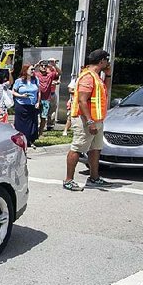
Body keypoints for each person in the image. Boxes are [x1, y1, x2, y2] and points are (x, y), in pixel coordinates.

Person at [63, 49, 112, 192]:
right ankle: (68, 180)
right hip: (85, 120)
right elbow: (82, 101)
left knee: (95, 149)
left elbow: (106, 91)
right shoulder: (88, 77)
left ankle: (94, 178)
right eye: (106, 60)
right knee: (77, 148)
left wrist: (108, 74)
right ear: (101, 61)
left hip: (97, 119)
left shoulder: (96, 76)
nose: (108, 63)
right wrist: (89, 121)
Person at [12, 64, 40, 148]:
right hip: (21, 105)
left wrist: (38, 102)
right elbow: (13, 92)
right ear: (25, 70)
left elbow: (39, 92)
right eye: (31, 69)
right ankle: (21, 141)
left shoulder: (35, 80)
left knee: (32, 124)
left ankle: (30, 141)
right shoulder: (19, 81)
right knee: (21, 125)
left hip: (32, 105)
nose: (33, 71)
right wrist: (21, 96)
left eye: (33, 69)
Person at [34, 58, 61, 133]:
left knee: (43, 117)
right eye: (42, 66)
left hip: (46, 99)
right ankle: (34, 131)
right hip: (36, 99)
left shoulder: (50, 75)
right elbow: (29, 71)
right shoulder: (36, 74)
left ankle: (40, 132)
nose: (43, 67)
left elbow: (59, 73)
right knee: (35, 116)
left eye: (45, 66)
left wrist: (54, 65)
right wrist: (37, 64)